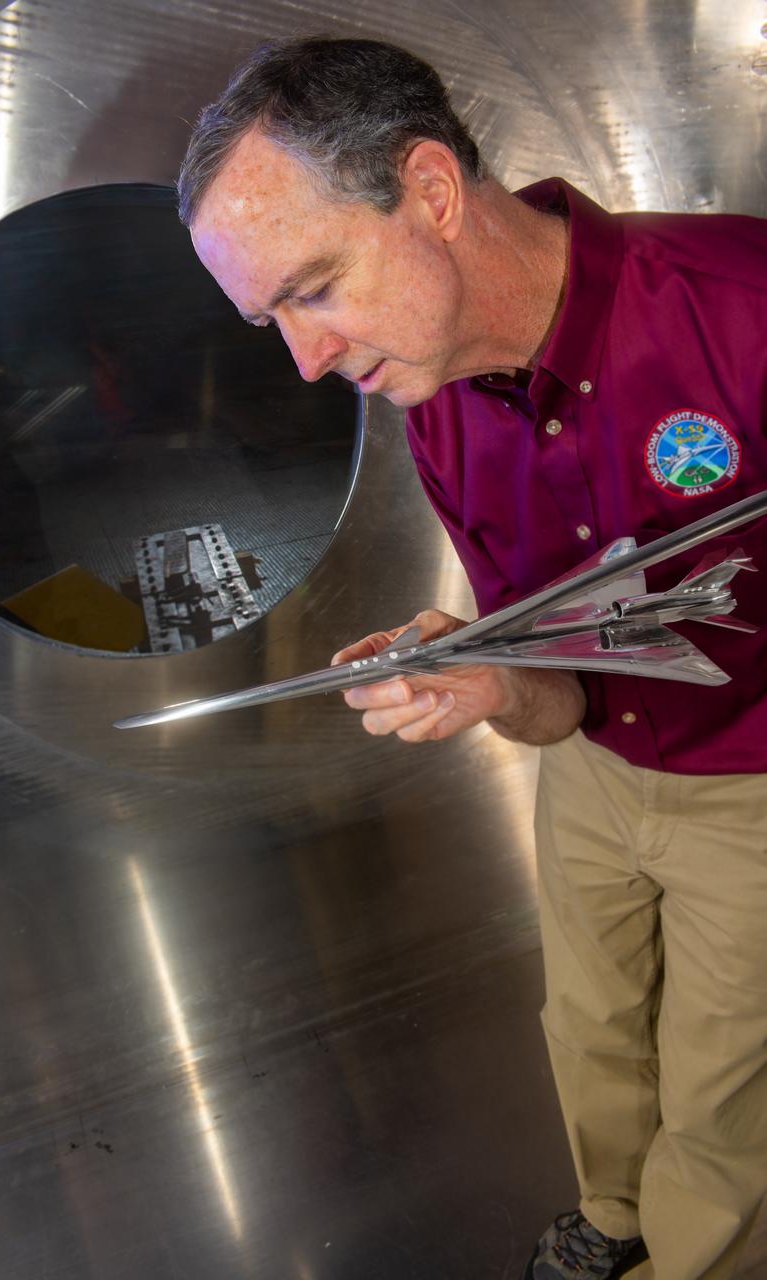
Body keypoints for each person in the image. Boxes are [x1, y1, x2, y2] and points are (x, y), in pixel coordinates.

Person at [177, 36, 767, 1280]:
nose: (306, 358)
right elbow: (559, 701)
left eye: (316, 286)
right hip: (601, 769)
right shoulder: (434, 394)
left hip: (756, 784)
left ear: (431, 193)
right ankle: (615, 1224)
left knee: (728, 1086)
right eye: (266, 317)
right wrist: (495, 674)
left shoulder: (741, 309)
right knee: (592, 1024)